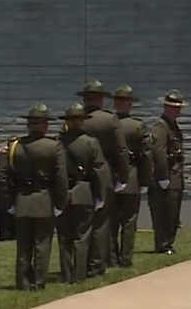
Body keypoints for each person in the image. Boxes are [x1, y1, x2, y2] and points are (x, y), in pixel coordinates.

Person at [1, 103, 68, 291]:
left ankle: (22, 282)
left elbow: (4, 175)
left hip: (21, 200)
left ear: (29, 125)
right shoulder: (54, 146)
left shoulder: (15, 146)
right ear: (45, 125)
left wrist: (8, 202)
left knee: (23, 246)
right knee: (42, 244)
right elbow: (61, 177)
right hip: (44, 200)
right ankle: (38, 282)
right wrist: (61, 202)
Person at [78, 80, 129, 273]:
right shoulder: (109, 120)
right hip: (104, 171)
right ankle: (97, 264)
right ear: (101, 99)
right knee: (101, 221)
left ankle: (80, 263)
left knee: (81, 223)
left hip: (80, 175)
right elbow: (121, 150)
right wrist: (122, 177)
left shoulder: (76, 118)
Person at [56, 102, 108, 284]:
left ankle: (66, 274)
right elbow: (99, 170)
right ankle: (79, 275)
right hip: (84, 192)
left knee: (64, 237)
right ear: (82, 121)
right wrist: (101, 195)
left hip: (62, 193)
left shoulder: (57, 143)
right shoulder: (91, 143)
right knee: (82, 236)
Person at [112, 84, 149, 268]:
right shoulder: (137, 125)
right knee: (128, 221)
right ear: (129, 105)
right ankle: (125, 258)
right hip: (132, 175)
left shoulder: (107, 124)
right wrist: (145, 179)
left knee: (110, 221)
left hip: (110, 176)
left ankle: (111, 257)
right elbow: (146, 155)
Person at [149, 89, 188, 255]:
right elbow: (159, 152)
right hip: (167, 176)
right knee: (164, 214)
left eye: (179, 107)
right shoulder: (161, 127)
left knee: (173, 213)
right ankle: (163, 244)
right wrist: (163, 176)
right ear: (166, 107)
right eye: (174, 107)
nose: (178, 110)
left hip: (175, 175)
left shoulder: (172, 125)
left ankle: (169, 243)